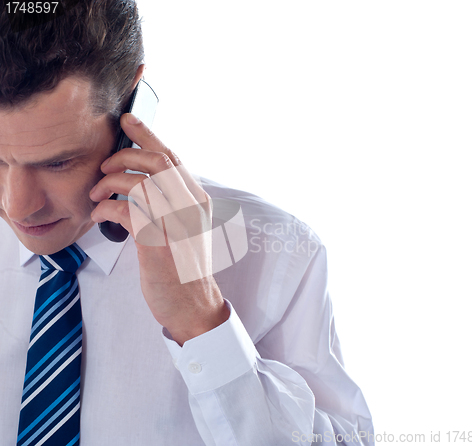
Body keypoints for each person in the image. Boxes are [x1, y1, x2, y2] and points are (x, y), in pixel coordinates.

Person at [0, 1, 374, 445]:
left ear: (132, 102)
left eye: (59, 163)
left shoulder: (273, 251)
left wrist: (201, 320)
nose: (18, 206)